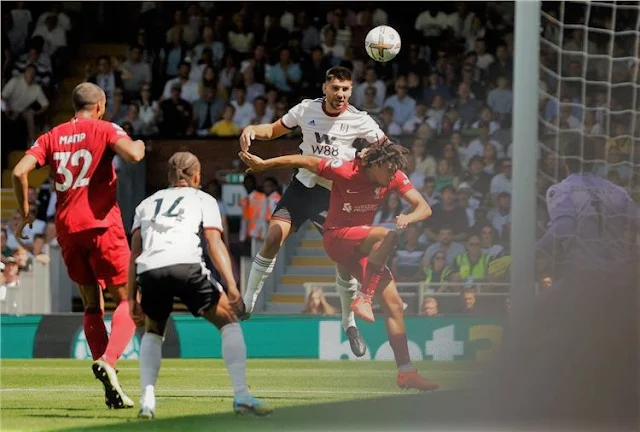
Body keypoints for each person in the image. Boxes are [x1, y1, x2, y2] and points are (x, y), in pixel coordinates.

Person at [240, 139, 438, 391]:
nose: (392, 175)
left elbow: (424, 207)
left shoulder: (392, 176)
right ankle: (364, 297)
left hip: (361, 245)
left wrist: (409, 216)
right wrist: (265, 164)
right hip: (337, 237)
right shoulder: (346, 170)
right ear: (375, 164)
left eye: (394, 171)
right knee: (388, 236)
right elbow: (304, 160)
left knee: (395, 304)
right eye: (389, 169)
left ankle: (406, 372)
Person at [11, 82, 145, 409]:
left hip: (68, 230)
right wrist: (139, 143)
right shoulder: (105, 128)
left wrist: (26, 213)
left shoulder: (52, 136)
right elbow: (133, 155)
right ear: (100, 106)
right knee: (129, 300)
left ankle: (108, 378)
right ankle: (109, 361)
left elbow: (18, 172)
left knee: (91, 304)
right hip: (101, 225)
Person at [238, 66, 387, 358]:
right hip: (303, 186)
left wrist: (372, 157)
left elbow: (386, 148)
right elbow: (272, 130)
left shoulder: (360, 119)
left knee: (345, 260)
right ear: (325, 88)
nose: (340, 94)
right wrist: (252, 129)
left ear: (351, 91)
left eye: (345, 89)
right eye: (336, 88)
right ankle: (248, 301)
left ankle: (348, 323)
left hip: (334, 195)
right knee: (273, 237)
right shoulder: (306, 109)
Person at [128, 152, 272, 419]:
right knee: (229, 322)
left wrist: (130, 297)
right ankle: (241, 395)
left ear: (168, 176)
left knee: (153, 331)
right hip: (187, 266)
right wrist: (231, 285)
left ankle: (147, 401)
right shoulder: (204, 199)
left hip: (150, 271)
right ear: (197, 177)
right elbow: (214, 243)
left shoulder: (146, 203)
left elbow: (134, 252)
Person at [536, 137, 639, 286]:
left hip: (584, 275)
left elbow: (563, 227)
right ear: (594, 161)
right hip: (620, 276)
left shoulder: (561, 190)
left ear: (565, 161)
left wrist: (534, 250)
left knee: (543, 300)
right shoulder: (618, 191)